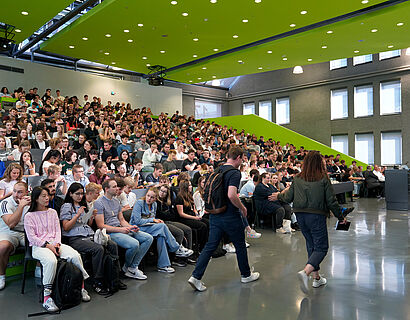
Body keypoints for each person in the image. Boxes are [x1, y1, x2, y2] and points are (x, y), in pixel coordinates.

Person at [275, 150, 351, 293]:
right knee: (321, 247)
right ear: (319, 162)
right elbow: (331, 201)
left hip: (300, 216)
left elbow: (288, 197)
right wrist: (341, 217)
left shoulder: (297, 178)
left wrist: (278, 195)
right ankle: (306, 272)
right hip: (316, 216)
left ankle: (317, 278)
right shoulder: (323, 178)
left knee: (311, 244)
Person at [188, 146, 260, 292]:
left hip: (215, 214)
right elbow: (232, 195)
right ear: (238, 157)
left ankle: (195, 277)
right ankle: (246, 275)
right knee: (240, 245)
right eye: (243, 159)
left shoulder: (217, 170)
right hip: (230, 215)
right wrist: (242, 207)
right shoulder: (234, 173)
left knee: (210, 246)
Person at [24, 186, 91, 312]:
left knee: (75, 255)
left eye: (47, 195)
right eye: (43, 196)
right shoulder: (29, 216)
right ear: (36, 198)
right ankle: (47, 297)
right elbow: (32, 238)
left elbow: (57, 231)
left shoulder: (53, 212)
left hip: (56, 244)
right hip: (39, 246)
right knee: (51, 261)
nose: (47, 198)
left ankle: (81, 287)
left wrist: (56, 244)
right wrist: (47, 245)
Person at [60, 183, 124, 295]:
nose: (80, 196)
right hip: (75, 238)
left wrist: (90, 217)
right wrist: (77, 215)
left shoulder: (83, 205)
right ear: (70, 194)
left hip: (88, 234)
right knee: (98, 249)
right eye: (77, 194)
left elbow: (86, 224)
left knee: (112, 245)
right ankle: (97, 280)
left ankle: (114, 277)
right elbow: (66, 227)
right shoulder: (67, 206)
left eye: (81, 194)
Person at [94, 179, 153, 280]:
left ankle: (131, 267)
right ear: (106, 189)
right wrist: (121, 230)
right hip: (110, 232)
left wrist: (130, 227)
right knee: (134, 244)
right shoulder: (99, 203)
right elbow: (101, 225)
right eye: (114, 187)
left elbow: (121, 220)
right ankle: (129, 269)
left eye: (117, 186)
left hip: (120, 228)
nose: (117, 188)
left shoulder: (116, 201)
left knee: (148, 238)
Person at [130, 188, 193, 273]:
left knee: (161, 237)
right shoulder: (139, 203)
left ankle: (163, 266)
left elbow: (152, 218)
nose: (149, 199)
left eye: (152, 197)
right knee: (162, 226)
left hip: (148, 227)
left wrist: (156, 220)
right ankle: (176, 248)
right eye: (148, 196)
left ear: (155, 198)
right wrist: (153, 220)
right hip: (136, 228)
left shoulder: (154, 204)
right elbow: (137, 221)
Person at [0, 182, 30, 290]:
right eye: (14, 191)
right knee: (3, 247)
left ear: (27, 193)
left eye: (20, 192)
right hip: (8, 232)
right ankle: (1, 276)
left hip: (24, 233)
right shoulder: (5, 203)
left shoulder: (31, 203)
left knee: (40, 243)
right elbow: (11, 224)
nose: (16, 195)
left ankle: (38, 270)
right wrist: (21, 206)